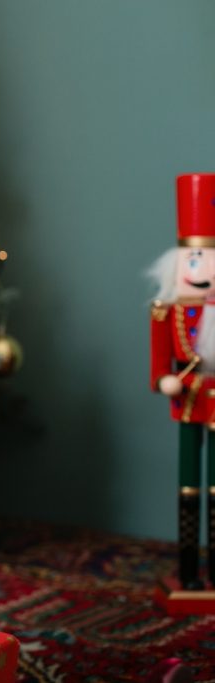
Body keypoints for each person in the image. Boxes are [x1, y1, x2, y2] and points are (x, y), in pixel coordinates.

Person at [148, 172, 215, 592]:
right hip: (188, 401)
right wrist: (165, 380)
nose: (203, 270)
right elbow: (158, 366)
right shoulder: (164, 313)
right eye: (195, 260)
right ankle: (188, 569)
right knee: (189, 484)